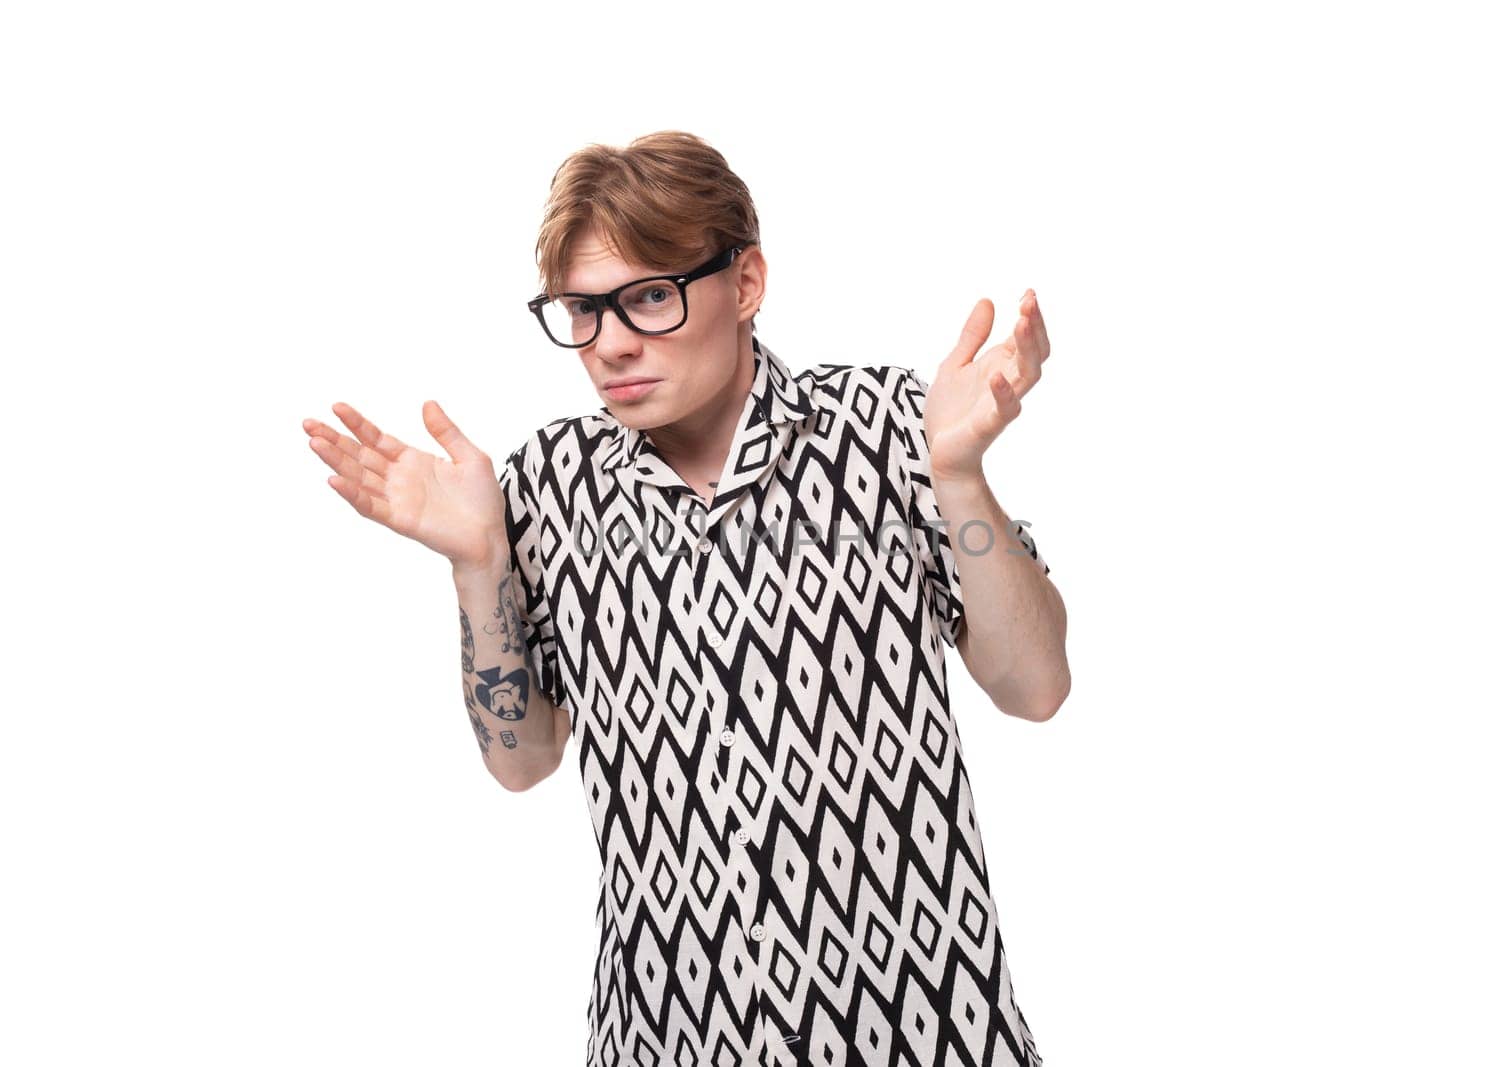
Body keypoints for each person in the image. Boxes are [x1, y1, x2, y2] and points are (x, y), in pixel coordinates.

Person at [303, 130, 1070, 1067]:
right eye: (580, 311)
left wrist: (957, 476)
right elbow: (523, 759)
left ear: (744, 284)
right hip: (669, 1032)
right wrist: (477, 563)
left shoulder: (890, 428)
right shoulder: (545, 485)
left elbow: (1034, 686)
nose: (611, 344)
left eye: (650, 297)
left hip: (923, 1027)